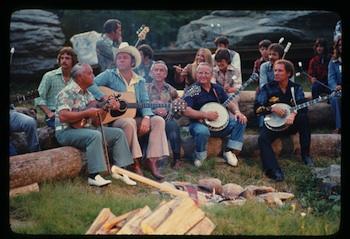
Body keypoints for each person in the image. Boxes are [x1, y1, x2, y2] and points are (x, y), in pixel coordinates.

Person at [88, 42, 169, 180]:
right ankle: (135, 163)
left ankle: (152, 160)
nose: (121, 60)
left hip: (135, 115)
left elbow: (144, 101)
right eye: (119, 57)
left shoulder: (140, 80)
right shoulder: (109, 74)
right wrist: (104, 97)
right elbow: (90, 84)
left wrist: (147, 117)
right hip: (116, 119)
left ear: (132, 61)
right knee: (128, 122)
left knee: (158, 120)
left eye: (125, 57)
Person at [55, 63, 136, 187]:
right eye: (90, 73)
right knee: (95, 135)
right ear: (80, 77)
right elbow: (63, 116)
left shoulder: (88, 94)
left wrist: (106, 108)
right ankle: (93, 176)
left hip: (87, 128)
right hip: (66, 132)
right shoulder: (66, 92)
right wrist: (86, 112)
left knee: (118, 133)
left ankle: (120, 171)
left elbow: (98, 121)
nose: (93, 76)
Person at [254, 59, 314, 182]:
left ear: (289, 74)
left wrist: (293, 115)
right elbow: (257, 109)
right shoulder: (267, 88)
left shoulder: (296, 88)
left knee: (303, 118)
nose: (276, 73)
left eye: (280, 71)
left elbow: (303, 106)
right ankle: (273, 170)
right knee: (262, 139)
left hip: (291, 124)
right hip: (274, 124)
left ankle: (306, 155)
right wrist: (272, 108)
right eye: (275, 70)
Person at [183, 62, 247, 167]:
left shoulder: (217, 88)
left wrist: (237, 112)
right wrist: (205, 115)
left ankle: (229, 151)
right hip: (199, 125)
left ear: (211, 74)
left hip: (219, 125)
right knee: (202, 131)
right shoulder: (193, 90)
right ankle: (199, 156)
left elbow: (229, 102)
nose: (203, 75)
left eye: (206, 73)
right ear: (196, 74)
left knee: (240, 121)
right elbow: (186, 110)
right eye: (200, 73)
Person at [146, 60, 182, 169]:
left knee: (173, 125)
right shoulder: (145, 88)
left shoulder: (171, 90)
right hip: (151, 120)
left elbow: (178, 108)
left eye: (161, 70)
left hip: (166, 120)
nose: (158, 72)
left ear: (165, 74)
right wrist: (154, 110)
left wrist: (169, 110)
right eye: (156, 70)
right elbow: (140, 105)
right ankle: (151, 160)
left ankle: (177, 159)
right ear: (151, 73)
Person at [35, 47, 78, 128]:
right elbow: (38, 97)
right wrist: (49, 113)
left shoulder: (77, 78)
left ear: (73, 61)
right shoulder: (49, 76)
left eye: (67, 58)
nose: (64, 60)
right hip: (54, 114)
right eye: (62, 58)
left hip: (72, 114)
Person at [328, 37, 342, 134]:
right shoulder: (333, 62)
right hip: (338, 90)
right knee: (335, 98)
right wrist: (335, 86)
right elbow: (331, 78)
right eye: (340, 45)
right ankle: (339, 126)